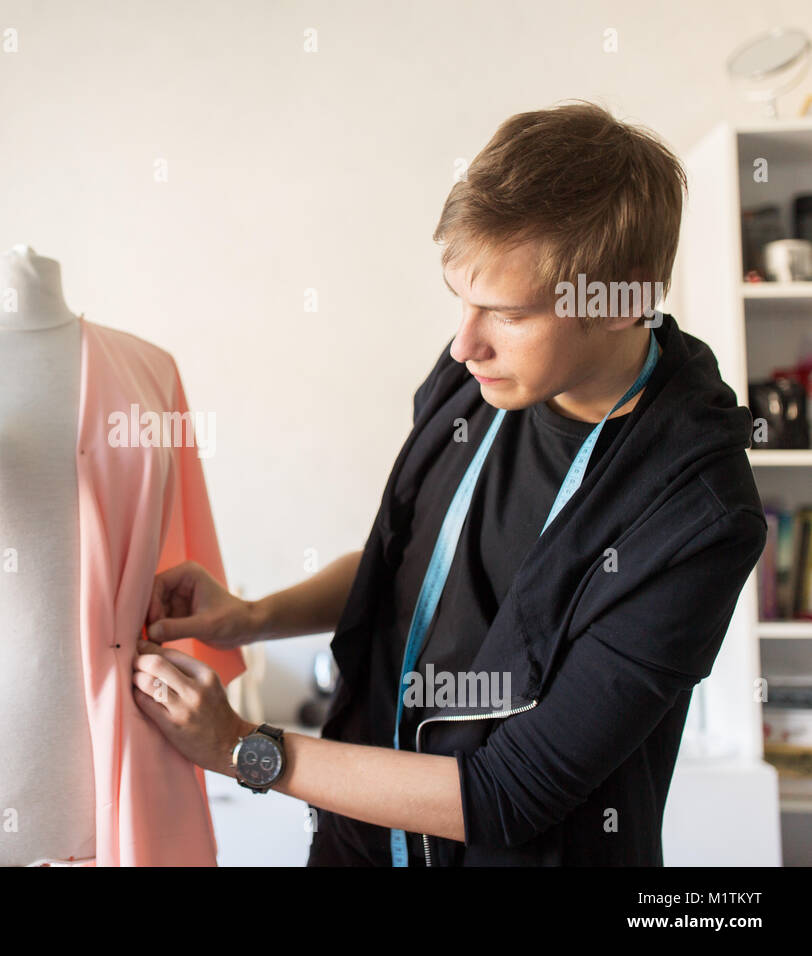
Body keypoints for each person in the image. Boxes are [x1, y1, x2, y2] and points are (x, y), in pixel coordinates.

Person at [131, 100, 768, 866]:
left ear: (622, 302)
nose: (466, 343)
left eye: (504, 311)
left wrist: (244, 750)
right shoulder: (484, 379)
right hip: (358, 846)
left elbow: (509, 792)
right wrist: (253, 617)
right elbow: (406, 567)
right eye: (460, 299)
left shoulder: (698, 514)